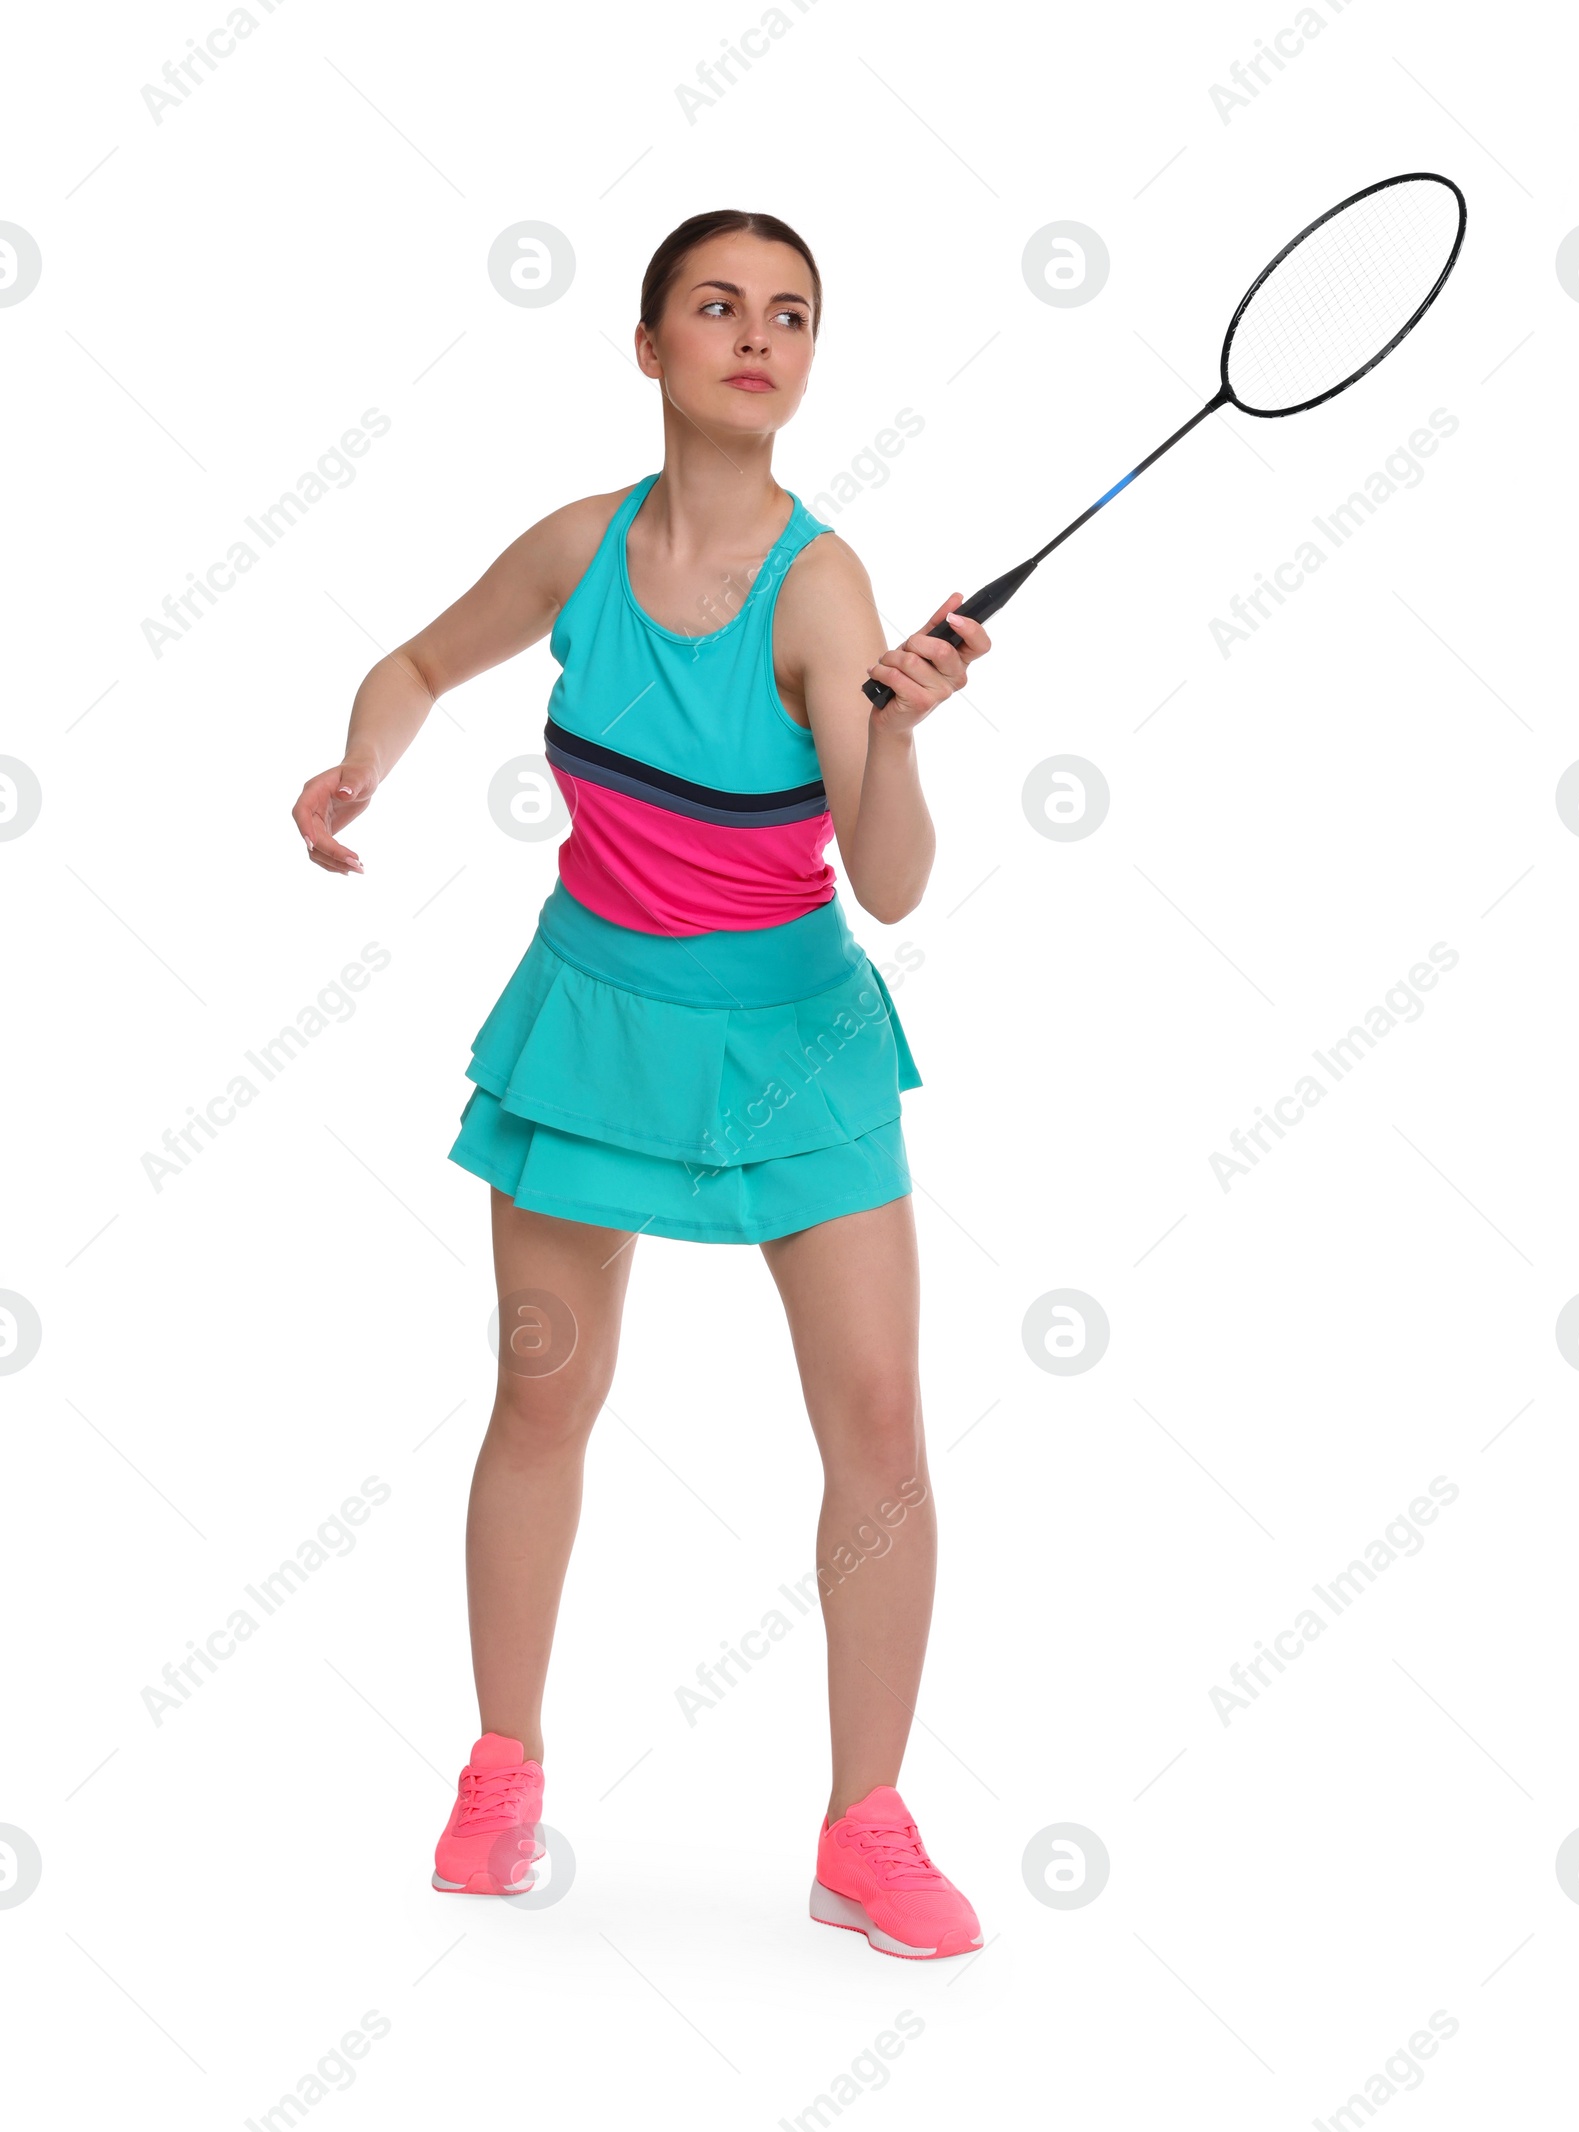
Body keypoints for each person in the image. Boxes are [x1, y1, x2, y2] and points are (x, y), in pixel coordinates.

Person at [291, 209, 991, 1960]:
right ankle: (501, 1769)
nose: (759, 336)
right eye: (719, 307)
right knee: (542, 1400)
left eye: (793, 316)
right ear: (650, 346)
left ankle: (866, 1827)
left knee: (884, 1427)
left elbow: (890, 880)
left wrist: (891, 733)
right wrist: (355, 767)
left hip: (794, 1040)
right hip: (595, 1017)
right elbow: (414, 666)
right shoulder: (576, 550)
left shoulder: (822, 587)